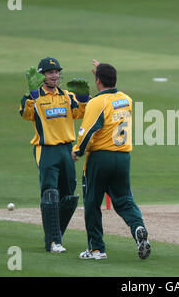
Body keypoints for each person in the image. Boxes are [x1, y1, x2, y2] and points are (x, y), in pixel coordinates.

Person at [72, 60, 151, 260]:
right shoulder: (126, 99)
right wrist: (102, 70)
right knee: (125, 201)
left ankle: (97, 249)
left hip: (100, 158)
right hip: (123, 157)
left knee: (92, 203)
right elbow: (110, 96)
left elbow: (88, 131)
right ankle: (138, 228)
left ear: (97, 80)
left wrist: (77, 151)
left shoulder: (96, 103)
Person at [19, 57, 91, 252]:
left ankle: (56, 237)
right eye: (50, 72)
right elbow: (25, 114)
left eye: (57, 72)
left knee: (68, 196)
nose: (55, 75)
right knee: (50, 192)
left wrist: (84, 98)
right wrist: (32, 94)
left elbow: (81, 113)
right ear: (42, 76)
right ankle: (52, 242)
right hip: (46, 149)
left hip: (66, 150)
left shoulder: (67, 96)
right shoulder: (35, 96)